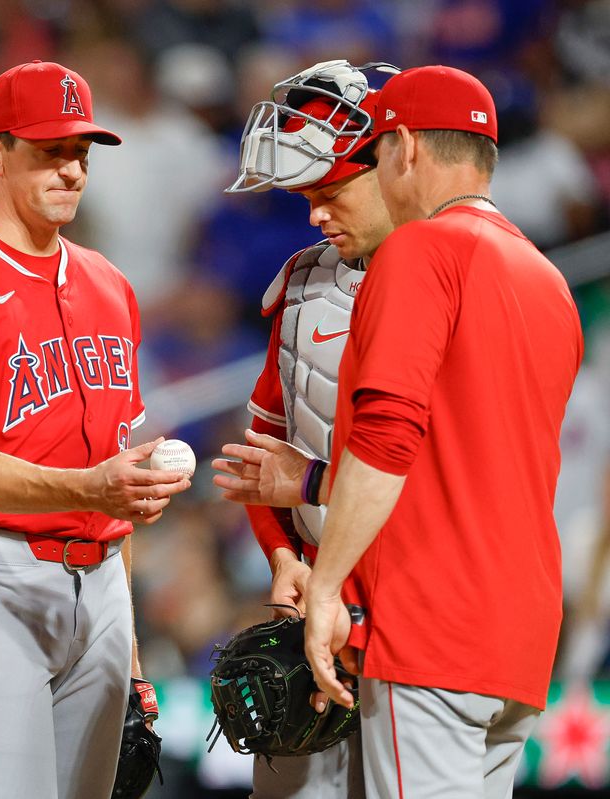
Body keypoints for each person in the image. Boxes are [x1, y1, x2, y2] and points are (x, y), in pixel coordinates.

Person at [214, 65, 583, 797]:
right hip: (515, 630)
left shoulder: (421, 252)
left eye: (375, 157)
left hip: (416, 623)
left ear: (404, 149)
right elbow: (468, 463)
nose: (316, 213)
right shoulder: (547, 278)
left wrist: (324, 585)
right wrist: (289, 551)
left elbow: (388, 440)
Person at [0, 59, 191, 799]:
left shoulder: (110, 286)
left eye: (80, 153)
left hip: (103, 585)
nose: (71, 170)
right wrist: (93, 486)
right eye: (49, 150)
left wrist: (135, 651)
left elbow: (113, 480)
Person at [225, 59, 396, 799]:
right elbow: (264, 455)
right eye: (306, 196)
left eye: (330, 192)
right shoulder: (302, 281)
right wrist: (282, 557)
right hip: (314, 602)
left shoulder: (466, 282)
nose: (315, 213)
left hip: (411, 608)